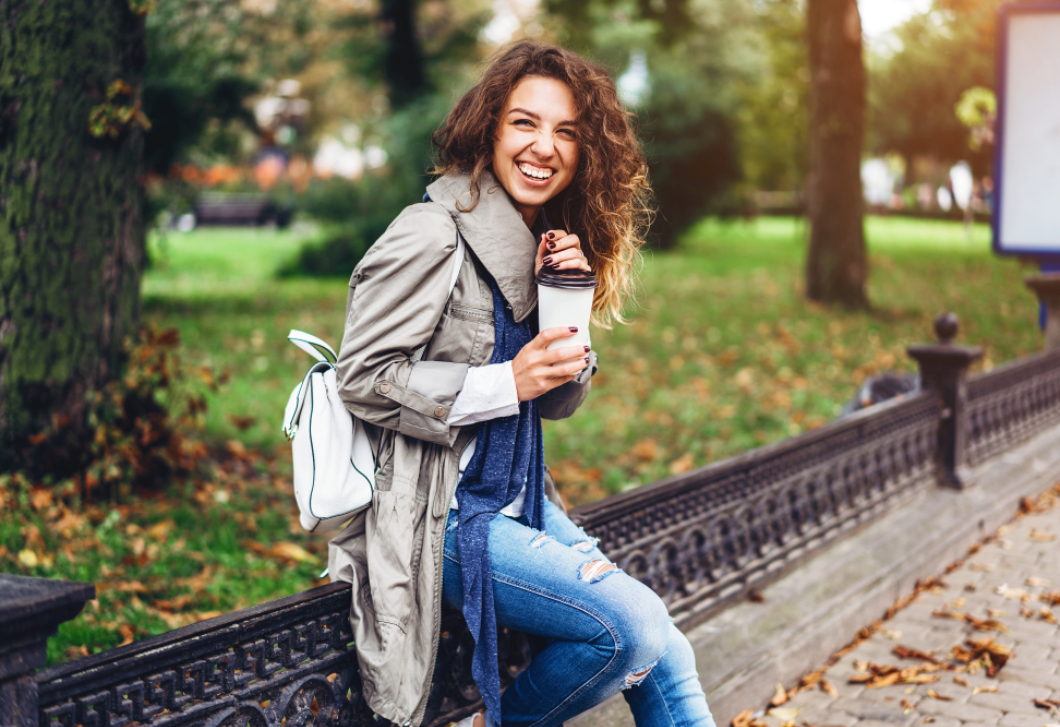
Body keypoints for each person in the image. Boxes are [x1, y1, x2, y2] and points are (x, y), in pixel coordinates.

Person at [328, 40, 716, 727]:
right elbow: (362, 375)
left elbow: (559, 399)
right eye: (525, 123)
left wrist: (564, 302)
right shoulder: (431, 232)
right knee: (629, 628)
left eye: (567, 131)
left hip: (512, 499)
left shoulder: (534, 238)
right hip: (436, 513)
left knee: (668, 647)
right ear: (490, 129)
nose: (545, 146)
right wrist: (504, 379)